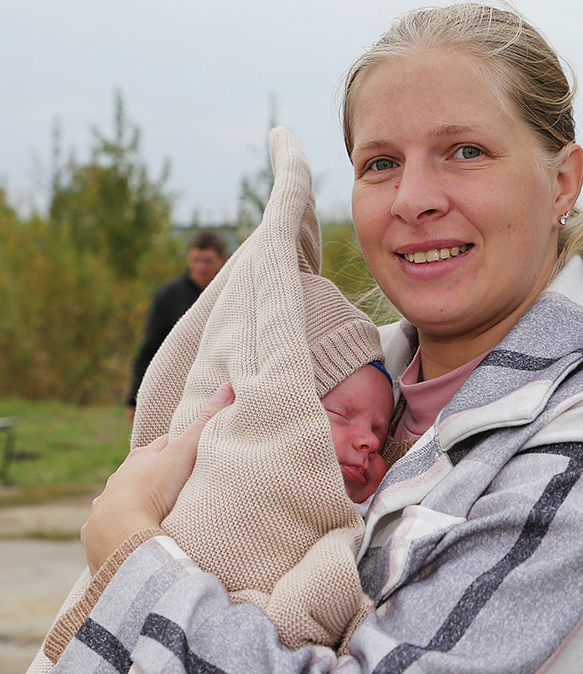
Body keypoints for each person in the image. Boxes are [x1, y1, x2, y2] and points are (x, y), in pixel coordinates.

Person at [48, 4, 583, 672]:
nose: (412, 198)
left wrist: (131, 554)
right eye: (379, 163)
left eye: (465, 151)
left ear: (560, 183)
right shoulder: (328, 386)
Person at [32, 130, 399, 671]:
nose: (369, 438)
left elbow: (307, 613)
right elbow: (162, 352)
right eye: (340, 414)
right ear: (286, 402)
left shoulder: (347, 527)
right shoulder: (172, 302)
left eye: (381, 428)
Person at [126, 229, 227, 421]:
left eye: (207, 261)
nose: (201, 267)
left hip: (220, 385)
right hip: (177, 388)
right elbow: (150, 349)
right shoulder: (168, 296)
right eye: (196, 260)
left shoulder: (231, 292)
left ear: (222, 259)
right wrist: (135, 397)